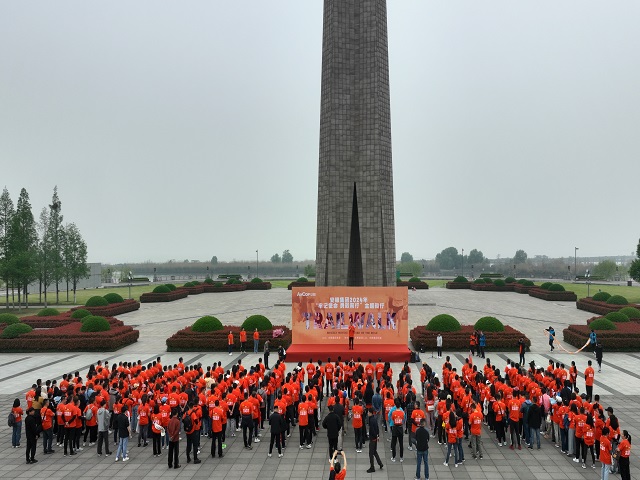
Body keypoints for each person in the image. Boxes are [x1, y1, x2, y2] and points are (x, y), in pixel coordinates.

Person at [366, 407, 383, 473]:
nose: (367, 413)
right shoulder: (374, 419)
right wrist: (377, 435)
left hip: (372, 439)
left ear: (370, 413)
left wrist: (373, 436)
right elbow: (377, 428)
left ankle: (372, 467)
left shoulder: (371, 420)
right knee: (374, 452)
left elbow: (372, 430)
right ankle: (380, 463)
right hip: (375, 438)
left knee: (371, 453)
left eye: (368, 412)